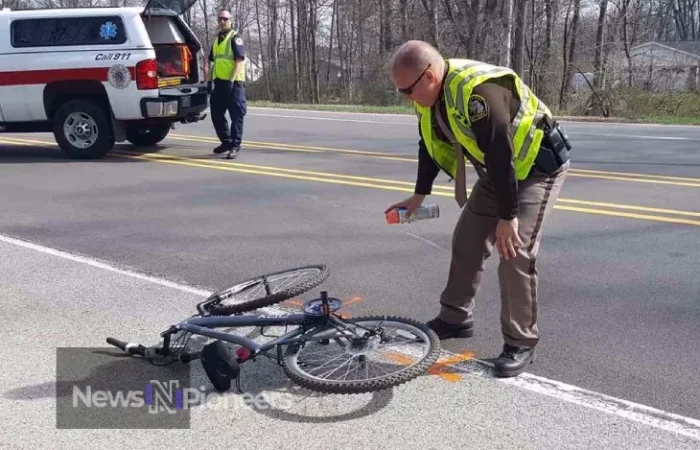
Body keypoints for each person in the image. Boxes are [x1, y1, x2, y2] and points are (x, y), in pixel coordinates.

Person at [385, 40, 571, 378]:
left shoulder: (478, 94)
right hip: (499, 171)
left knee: (514, 252)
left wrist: (508, 216)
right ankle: (455, 318)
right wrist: (418, 195)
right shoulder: (429, 96)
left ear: (428, 77)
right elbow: (429, 142)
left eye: (407, 91)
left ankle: (520, 341)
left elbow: (501, 152)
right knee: (467, 239)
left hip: (537, 168)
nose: (406, 99)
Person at [208, 10, 246, 159]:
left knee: (236, 115)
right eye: (220, 19)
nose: (222, 22)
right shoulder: (216, 40)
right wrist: (209, 81)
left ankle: (235, 146)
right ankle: (226, 141)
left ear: (230, 20)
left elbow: (239, 61)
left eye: (225, 19)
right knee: (216, 114)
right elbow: (214, 63)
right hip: (219, 83)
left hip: (234, 83)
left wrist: (231, 81)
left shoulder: (235, 38)